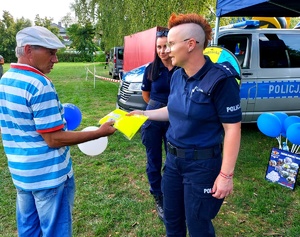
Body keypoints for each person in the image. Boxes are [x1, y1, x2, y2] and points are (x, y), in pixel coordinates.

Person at [128, 13, 242, 236]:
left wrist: (226, 175)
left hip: (202, 167)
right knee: (172, 221)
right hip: (173, 163)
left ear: (191, 45)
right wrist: (143, 114)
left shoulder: (221, 80)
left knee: (198, 225)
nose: (167, 50)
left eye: (171, 44)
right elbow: (173, 110)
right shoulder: (178, 76)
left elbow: (232, 129)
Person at [0, 26, 116, 237]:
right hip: (49, 177)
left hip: (22, 175)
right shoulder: (39, 84)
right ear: (28, 50)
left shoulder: (6, 79)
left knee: (28, 231)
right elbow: (53, 139)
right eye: (50, 52)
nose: (55, 59)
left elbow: (25, 124)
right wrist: (99, 132)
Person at [141, 30, 178, 221]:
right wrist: (155, 106)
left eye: (166, 46)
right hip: (154, 118)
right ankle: (158, 195)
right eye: (159, 47)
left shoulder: (181, 68)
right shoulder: (151, 69)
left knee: (172, 158)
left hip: (175, 118)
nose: (162, 51)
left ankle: (170, 192)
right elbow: (146, 95)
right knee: (153, 158)